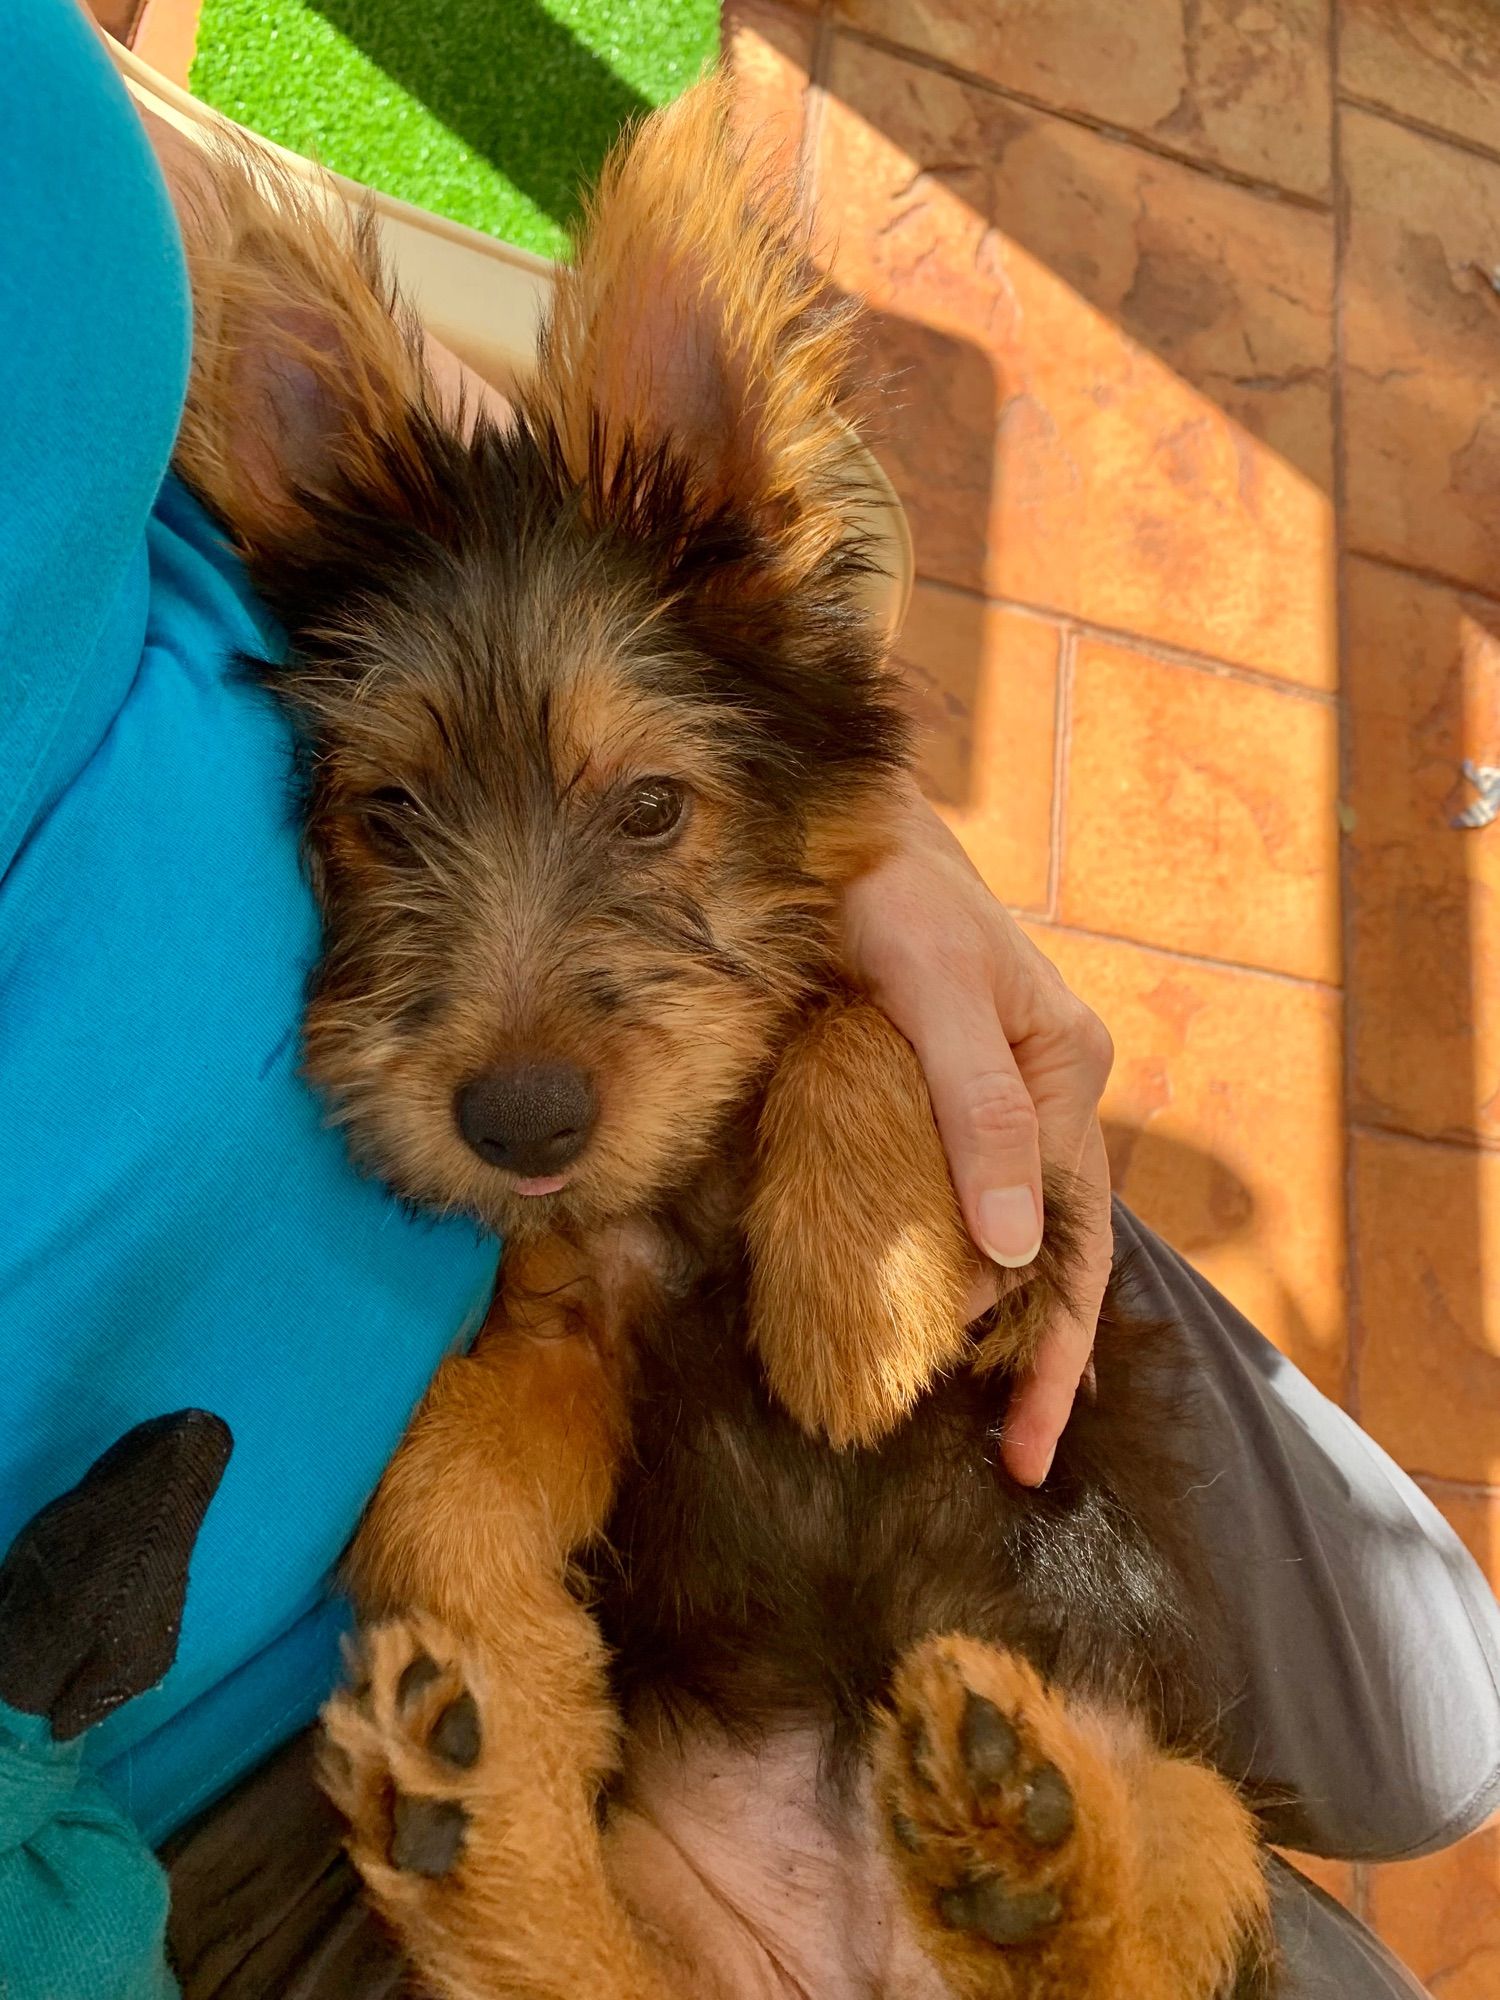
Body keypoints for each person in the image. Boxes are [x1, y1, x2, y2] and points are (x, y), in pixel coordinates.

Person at [0, 5, 1494, 1995]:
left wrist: (881, 870)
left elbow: (147, 218)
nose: (529, 1027)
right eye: (382, 823)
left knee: (1433, 1720)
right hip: (332, 1740)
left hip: (966, 1538)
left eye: (645, 810)